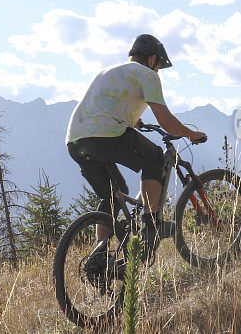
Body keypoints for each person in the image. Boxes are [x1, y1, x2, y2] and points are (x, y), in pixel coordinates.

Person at [66, 34, 206, 268]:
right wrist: (191, 134)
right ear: (152, 59)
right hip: (106, 135)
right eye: (159, 66)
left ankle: (99, 259)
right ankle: (151, 225)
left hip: (75, 140)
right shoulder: (147, 75)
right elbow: (167, 122)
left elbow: (105, 107)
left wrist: (135, 120)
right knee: (154, 158)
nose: (158, 72)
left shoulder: (109, 71)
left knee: (114, 194)